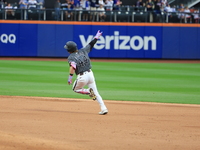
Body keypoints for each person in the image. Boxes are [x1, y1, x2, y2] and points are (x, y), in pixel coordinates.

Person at [65, 30, 108, 115]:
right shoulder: (83, 51)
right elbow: (91, 44)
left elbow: (73, 67)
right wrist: (97, 36)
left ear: (69, 50)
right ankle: (104, 108)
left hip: (82, 77)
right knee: (96, 93)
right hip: (90, 74)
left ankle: (88, 91)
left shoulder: (71, 57)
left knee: (75, 89)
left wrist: (70, 78)